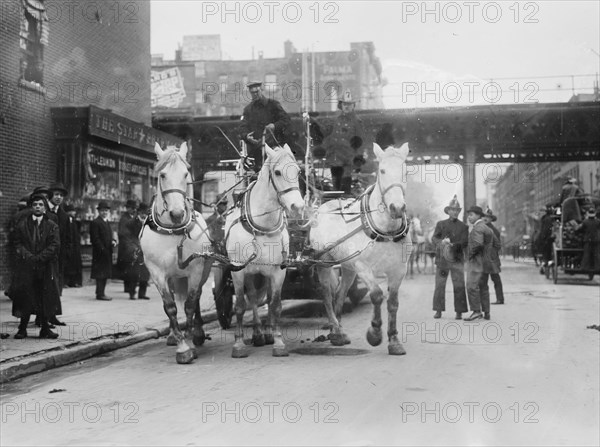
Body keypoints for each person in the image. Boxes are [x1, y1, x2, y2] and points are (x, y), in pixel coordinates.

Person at [10, 193, 61, 339]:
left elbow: (55, 245)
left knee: (44, 298)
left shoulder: (52, 225)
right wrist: (30, 257)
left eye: (40, 205)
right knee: (26, 297)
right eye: (35, 205)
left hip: (45, 267)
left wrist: (40, 258)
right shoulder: (22, 225)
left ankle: (45, 328)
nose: (37, 207)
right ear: (31, 207)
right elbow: (17, 244)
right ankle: (22, 328)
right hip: (27, 267)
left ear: (45, 208)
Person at [312, 90, 365, 194]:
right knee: (336, 190)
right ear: (341, 105)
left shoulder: (357, 122)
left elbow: (360, 142)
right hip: (335, 159)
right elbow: (328, 135)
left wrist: (358, 160)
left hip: (347, 161)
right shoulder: (336, 119)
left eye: (349, 104)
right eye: (345, 104)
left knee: (345, 190)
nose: (346, 106)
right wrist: (314, 123)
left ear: (353, 105)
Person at [431, 195, 469, 320]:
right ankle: (438, 310)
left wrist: (453, 244)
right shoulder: (440, 224)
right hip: (442, 260)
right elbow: (434, 238)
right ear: (448, 211)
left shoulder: (464, 227)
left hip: (457, 260)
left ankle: (459, 311)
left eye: (457, 210)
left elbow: (464, 242)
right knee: (440, 285)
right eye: (452, 210)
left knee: (459, 285)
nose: (454, 212)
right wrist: (441, 242)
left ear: (459, 212)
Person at [240, 81, 291, 170]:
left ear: (262, 90)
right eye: (253, 93)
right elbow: (242, 127)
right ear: (250, 93)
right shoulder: (248, 110)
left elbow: (286, 120)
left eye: (257, 92)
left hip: (276, 149)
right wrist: (247, 136)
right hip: (258, 152)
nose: (255, 94)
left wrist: (274, 126)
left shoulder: (273, 105)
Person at [464, 205, 497, 321]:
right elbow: (497, 245)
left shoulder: (477, 228)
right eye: (468, 215)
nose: (469, 217)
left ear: (478, 215)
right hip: (486, 263)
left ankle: (476, 311)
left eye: (471, 215)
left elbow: (477, 245)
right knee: (483, 287)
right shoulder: (487, 228)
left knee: (471, 286)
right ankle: (486, 312)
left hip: (476, 263)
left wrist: (468, 257)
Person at [4, 195, 29, 299]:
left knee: (16, 271)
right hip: (26, 248)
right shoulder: (30, 215)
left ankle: (13, 291)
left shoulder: (15, 216)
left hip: (15, 248)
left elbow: (11, 233)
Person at [124, 202, 151, 300]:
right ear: (138, 212)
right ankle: (132, 293)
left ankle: (142, 294)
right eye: (142, 213)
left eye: (145, 213)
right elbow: (128, 238)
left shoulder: (149, 224)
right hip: (135, 250)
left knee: (145, 273)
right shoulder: (131, 223)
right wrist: (133, 249)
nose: (144, 215)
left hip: (146, 251)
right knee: (134, 274)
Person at [90, 201, 116, 301]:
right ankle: (100, 294)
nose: (104, 212)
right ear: (99, 211)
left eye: (106, 211)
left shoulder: (106, 222)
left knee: (104, 274)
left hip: (107, 252)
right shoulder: (95, 222)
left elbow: (109, 236)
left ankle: (101, 292)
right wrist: (102, 249)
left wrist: (113, 241)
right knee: (100, 274)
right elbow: (95, 239)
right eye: (102, 211)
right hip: (100, 253)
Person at [206, 193, 230, 299]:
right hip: (218, 256)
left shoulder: (231, 217)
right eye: (221, 205)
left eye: (225, 204)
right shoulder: (210, 220)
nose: (223, 207)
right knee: (219, 285)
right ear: (216, 206)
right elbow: (209, 236)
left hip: (232, 253)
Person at [484, 208, 505, 305]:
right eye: (484, 216)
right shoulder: (482, 228)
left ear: (491, 219)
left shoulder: (494, 230)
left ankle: (500, 299)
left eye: (488, 217)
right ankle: (487, 300)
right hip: (485, 257)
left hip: (491, 257)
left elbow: (497, 245)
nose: (486, 218)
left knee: (495, 278)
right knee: (485, 279)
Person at [117, 199, 138, 297]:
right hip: (126, 245)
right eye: (131, 208)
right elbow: (123, 233)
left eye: (134, 208)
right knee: (127, 266)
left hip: (132, 244)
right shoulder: (124, 218)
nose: (133, 210)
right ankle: (127, 287)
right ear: (127, 208)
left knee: (130, 266)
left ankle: (129, 286)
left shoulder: (132, 217)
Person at [64, 204, 83, 287]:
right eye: (72, 211)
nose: (74, 213)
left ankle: (74, 282)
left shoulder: (75, 221)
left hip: (75, 246)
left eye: (74, 211)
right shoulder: (65, 221)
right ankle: (65, 282)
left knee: (75, 264)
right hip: (68, 246)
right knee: (67, 265)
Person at [575, 207, 600, 271]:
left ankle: (584, 267)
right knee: (596, 254)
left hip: (588, 240)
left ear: (588, 214)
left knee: (586, 254)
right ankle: (597, 267)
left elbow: (579, 229)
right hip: (596, 240)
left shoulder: (585, 222)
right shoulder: (598, 222)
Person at [536, 204, 558, 274]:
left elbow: (544, 230)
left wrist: (542, 238)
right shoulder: (550, 218)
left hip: (546, 239)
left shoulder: (545, 219)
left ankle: (543, 265)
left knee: (543, 252)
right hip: (551, 238)